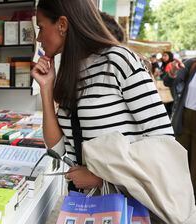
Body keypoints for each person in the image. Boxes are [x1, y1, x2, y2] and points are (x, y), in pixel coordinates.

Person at [32, 0, 173, 191]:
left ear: (62, 25)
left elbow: (163, 141)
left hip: (124, 209)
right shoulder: (72, 70)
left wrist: (101, 179)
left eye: (41, 27)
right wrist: (46, 89)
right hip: (86, 205)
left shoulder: (117, 61)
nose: (39, 38)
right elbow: (58, 150)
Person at [164, 57, 196, 197]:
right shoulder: (191, 63)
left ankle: (192, 202)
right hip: (184, 118)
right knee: (178, 160)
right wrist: (172, 72)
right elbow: (168, 82)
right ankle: (177, 198)